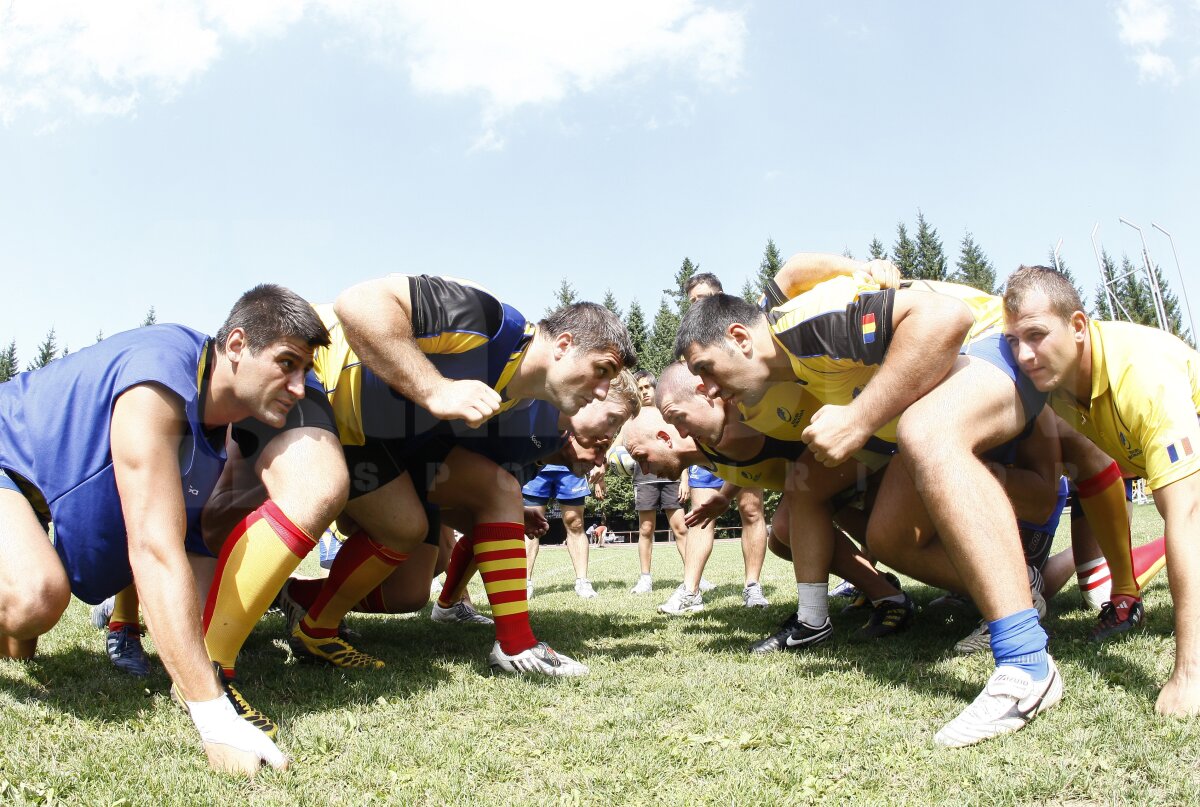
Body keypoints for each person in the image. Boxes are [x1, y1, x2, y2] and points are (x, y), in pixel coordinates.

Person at [676, 251, 1060, 747]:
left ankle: (1026, 663)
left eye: (705, 369)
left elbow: (947, 317)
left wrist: (857, 421)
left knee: (927, 430)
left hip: (997, 341)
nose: (705, 389)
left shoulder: (801, 325)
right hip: (944, 386)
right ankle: (1020, 588)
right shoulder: (789, 364)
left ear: (740, 339)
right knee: (885, 535)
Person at [0, 284, 330, 775]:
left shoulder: (222, 425)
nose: (299, 387)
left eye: (305, 372)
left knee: (19, 642)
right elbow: (154, 548)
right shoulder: (158, 378)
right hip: (11, 459)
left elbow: (186, 546)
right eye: (287, 363)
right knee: (34, 600)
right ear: (236, 346)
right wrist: (215, 718)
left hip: (41, 489)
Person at [284, 275, 635, 676]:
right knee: (234, 505)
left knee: (407, 591)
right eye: (602, 372)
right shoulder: (492, 321)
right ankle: (215, 665)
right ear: (564, 345)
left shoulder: (519, 394)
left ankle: (297, 597)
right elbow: (358, 302)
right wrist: (436, 389)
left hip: (375, 442)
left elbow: (457, 467)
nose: (604, 392)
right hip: (315, 383)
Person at [1003, 263, 1200, 716]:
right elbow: (1094, 469)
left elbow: (1185, 512)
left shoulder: (1142, 375)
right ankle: (1127, 594)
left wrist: (1188, 673)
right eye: (1014, 341)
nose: (1024, 354)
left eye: (1035, 335)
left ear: (1077, 326)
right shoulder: (1052, 384)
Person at [684, 273, 769, 608]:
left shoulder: (738, 337)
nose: (698, 304)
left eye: (704, 297)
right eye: (692, 300)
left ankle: (752, 587)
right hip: (707, 447)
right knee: (701, 513)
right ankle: (690, 591)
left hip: (744, 439)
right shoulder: (687, 348)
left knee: (751, 508)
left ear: (719, 296)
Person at [625, 370, 694, 595]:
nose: (644, 392)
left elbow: (680, 446)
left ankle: (693, 576)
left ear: (655, 388)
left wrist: (685, 478)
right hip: (644, 479)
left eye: (647, 387)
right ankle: (645, 578)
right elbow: (616, 444)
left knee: (680, 528)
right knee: (646, 528)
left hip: (671, 476)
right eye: (640, 388)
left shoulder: (666, 413)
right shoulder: (632, 417)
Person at [522, 462, 599, 599]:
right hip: (536, 463)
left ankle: (582, 581)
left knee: (575, 523)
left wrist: (598, 465)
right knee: (530, 526)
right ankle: (524, 583)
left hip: (570, 464)